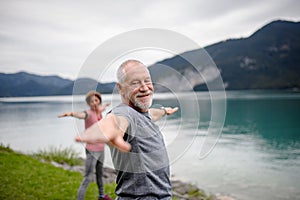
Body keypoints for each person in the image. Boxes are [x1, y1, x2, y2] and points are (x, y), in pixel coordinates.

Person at [75, 60, 178, 200]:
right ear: (121, 88)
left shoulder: (142, 114)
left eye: (147, 81)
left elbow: (151, 114)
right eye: (135, 83)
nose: (144, 88)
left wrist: (164, 111)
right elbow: (116, 120)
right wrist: (109, 130)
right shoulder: (125, 112)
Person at [58, 90, 112, 200]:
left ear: (99, 101)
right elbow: (81, 115)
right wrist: (71, 114)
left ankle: (102, 196)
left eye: (96, 100)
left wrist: (106, 105)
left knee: (99, 174)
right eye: (92, 101)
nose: (95, 103)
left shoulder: (99, 112)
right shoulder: (88, 113)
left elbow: (102, 108)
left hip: (101, 149)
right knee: (88, 177)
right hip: (92, 150)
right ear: (89, 104)